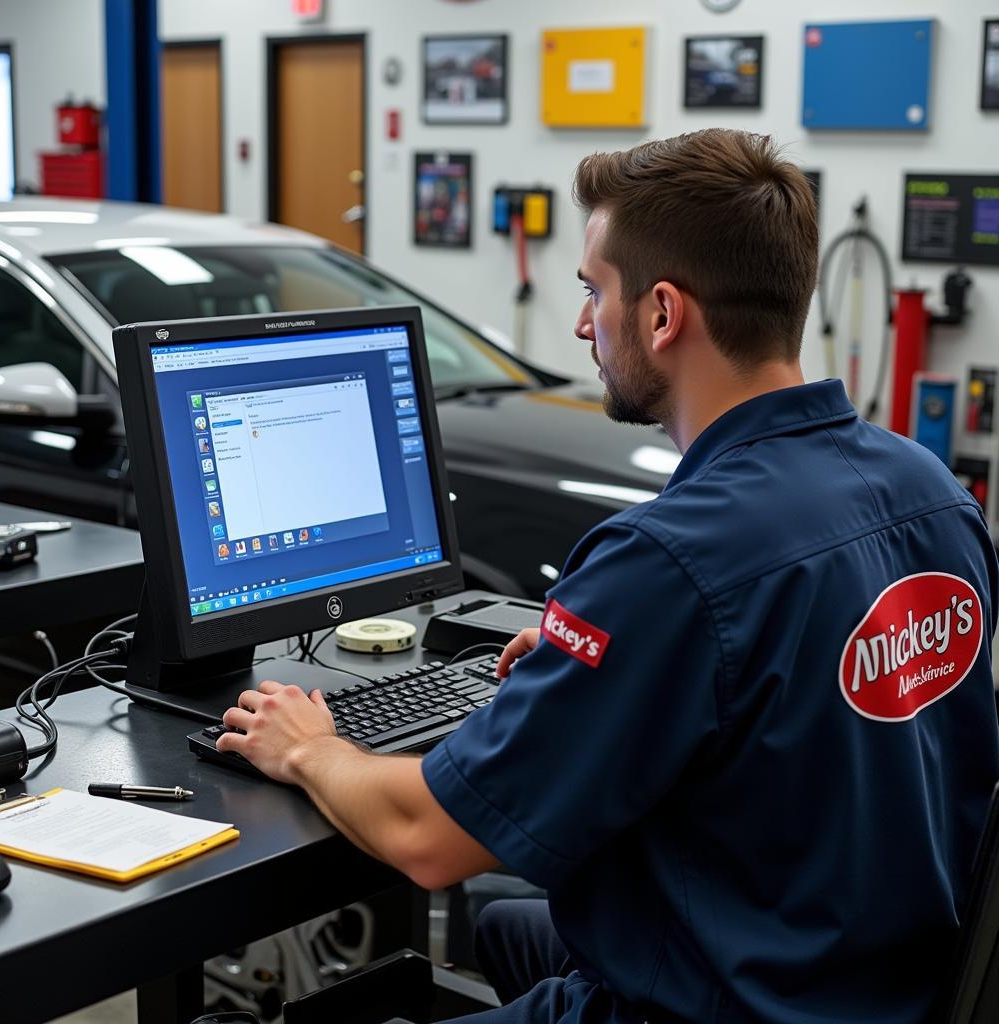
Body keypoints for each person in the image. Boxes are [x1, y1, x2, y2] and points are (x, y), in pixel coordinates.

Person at [217, 129, 999, 1023]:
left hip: (735, 1002)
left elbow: (425, 839)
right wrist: (612, 672)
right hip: (879, 977)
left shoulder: (668, 559)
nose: (584, 324)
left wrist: (310, 747)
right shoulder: (934, 492)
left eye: (595, 291)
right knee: (513, 926)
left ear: (664, 314)